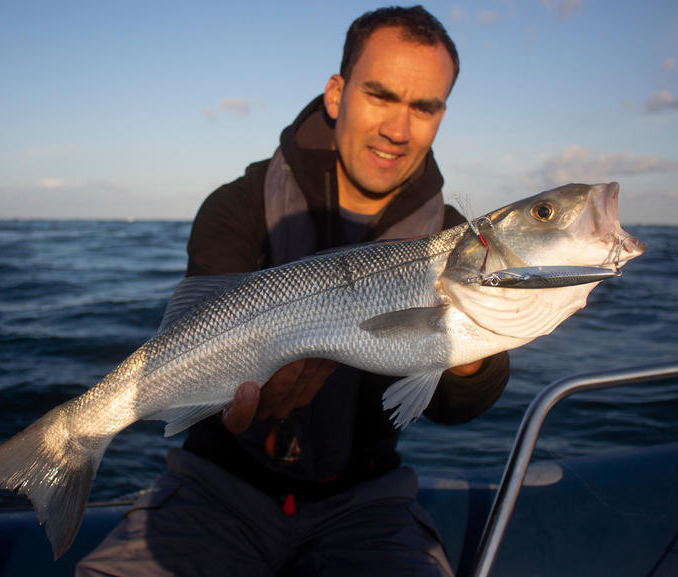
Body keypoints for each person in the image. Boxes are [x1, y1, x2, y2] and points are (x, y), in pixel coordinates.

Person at [77, 6, 510, 576]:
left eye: (423, 107)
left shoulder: (457, 239)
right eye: (380, 95)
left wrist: (469, 351)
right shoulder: (239, 205)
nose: (398, 130)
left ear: (441, 116)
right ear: (337, 93)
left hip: (367, 499)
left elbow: (461, 407)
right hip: (217, 486)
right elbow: (194, 328)